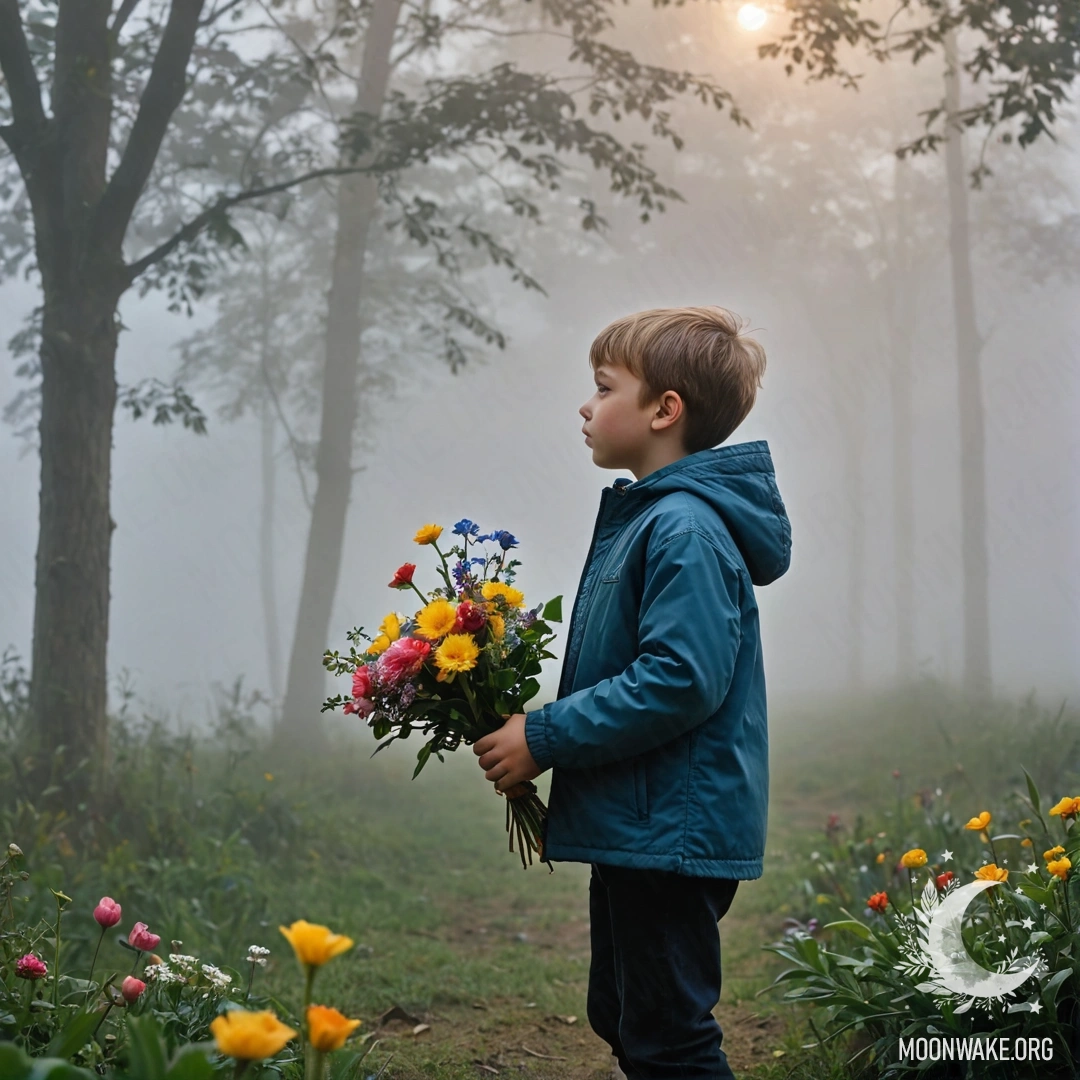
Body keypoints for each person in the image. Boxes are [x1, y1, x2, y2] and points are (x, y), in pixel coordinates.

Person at [472, 305, 792, 1078]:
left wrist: (541, 737)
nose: (586, 406)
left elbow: (679, 679)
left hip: (669, 831)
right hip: (643, 821)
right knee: (623, 1013)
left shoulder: (683, 526)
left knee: (668, 1034)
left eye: (603, 386)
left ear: (663, 410)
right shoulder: (652, 521)